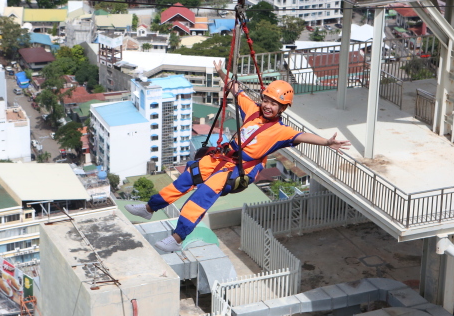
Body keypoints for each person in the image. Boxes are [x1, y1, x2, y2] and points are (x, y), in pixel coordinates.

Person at [126, 61, 351, 252]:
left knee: (203, 194)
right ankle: (148, 209)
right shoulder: (253, 110)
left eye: (275, 104)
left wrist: (327, 142)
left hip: (241, 169)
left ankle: (177, 238)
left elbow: (303, 136)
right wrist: (222, 73)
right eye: (267, 100)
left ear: (283, 109)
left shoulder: (282, 131)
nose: (268, 106)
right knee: (187, 177)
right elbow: (236, 90)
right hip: (223, 158)